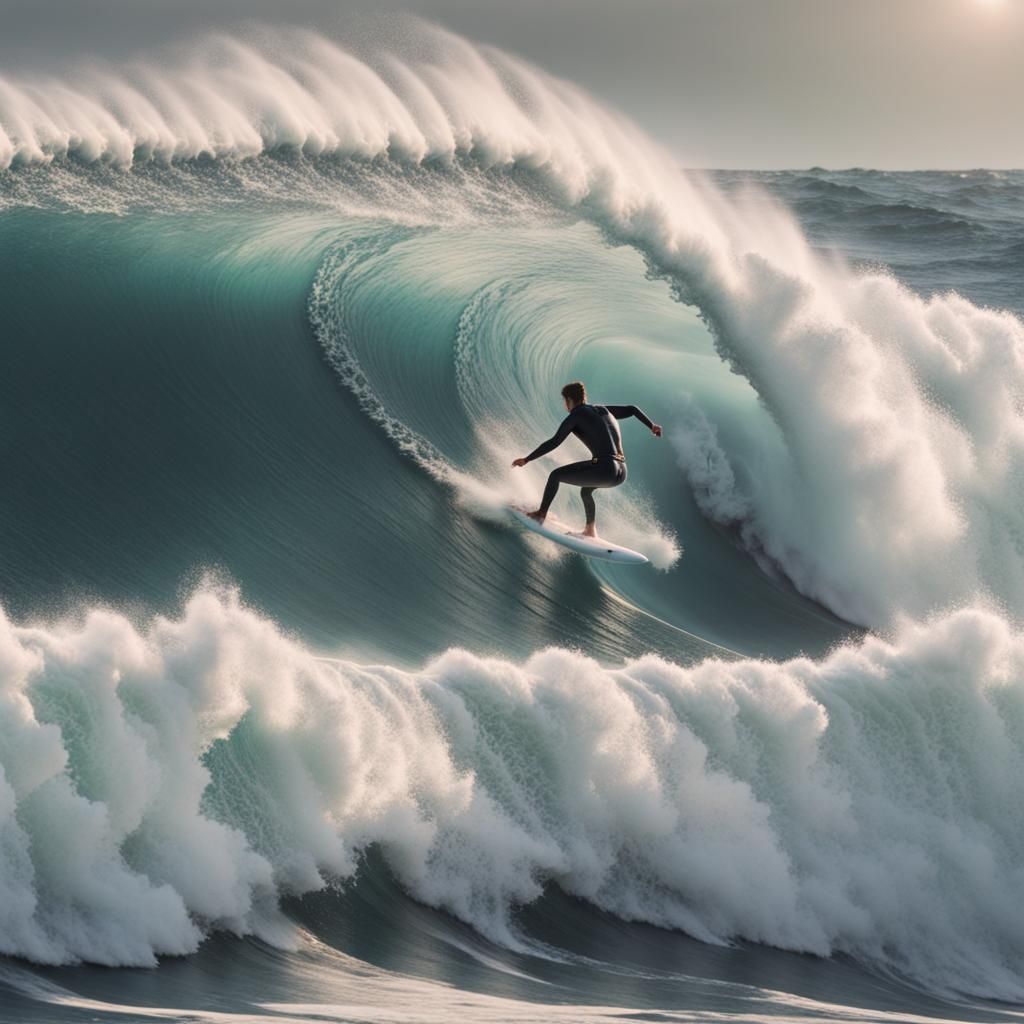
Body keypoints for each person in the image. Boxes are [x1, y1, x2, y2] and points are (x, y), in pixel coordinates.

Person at [511, 381, 662, 538]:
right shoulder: (602, 410)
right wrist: (652, 426)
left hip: (605, 469)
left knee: (555, 475)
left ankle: (541, 514)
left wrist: (527, 459)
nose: (565, 405)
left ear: (569, 400)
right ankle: (590, 530)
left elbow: (555, 441)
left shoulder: (576, 415)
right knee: (586, 491)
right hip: (621, 471)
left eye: (564, 401)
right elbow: (632, 409)